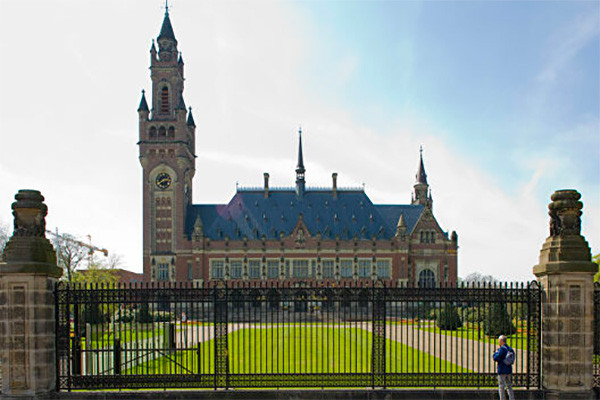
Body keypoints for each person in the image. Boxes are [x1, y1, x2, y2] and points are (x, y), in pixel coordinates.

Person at [493, 335, 515, 400]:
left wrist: (495, 353)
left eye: (499, 340)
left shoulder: (502, 349)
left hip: (502, 369)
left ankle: (502, 398)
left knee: (501, 386)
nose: (498, 341)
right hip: (509, 369)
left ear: (501, 341)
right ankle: (511, 398)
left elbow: (496, 358)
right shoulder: (510, 349)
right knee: (509, 386)